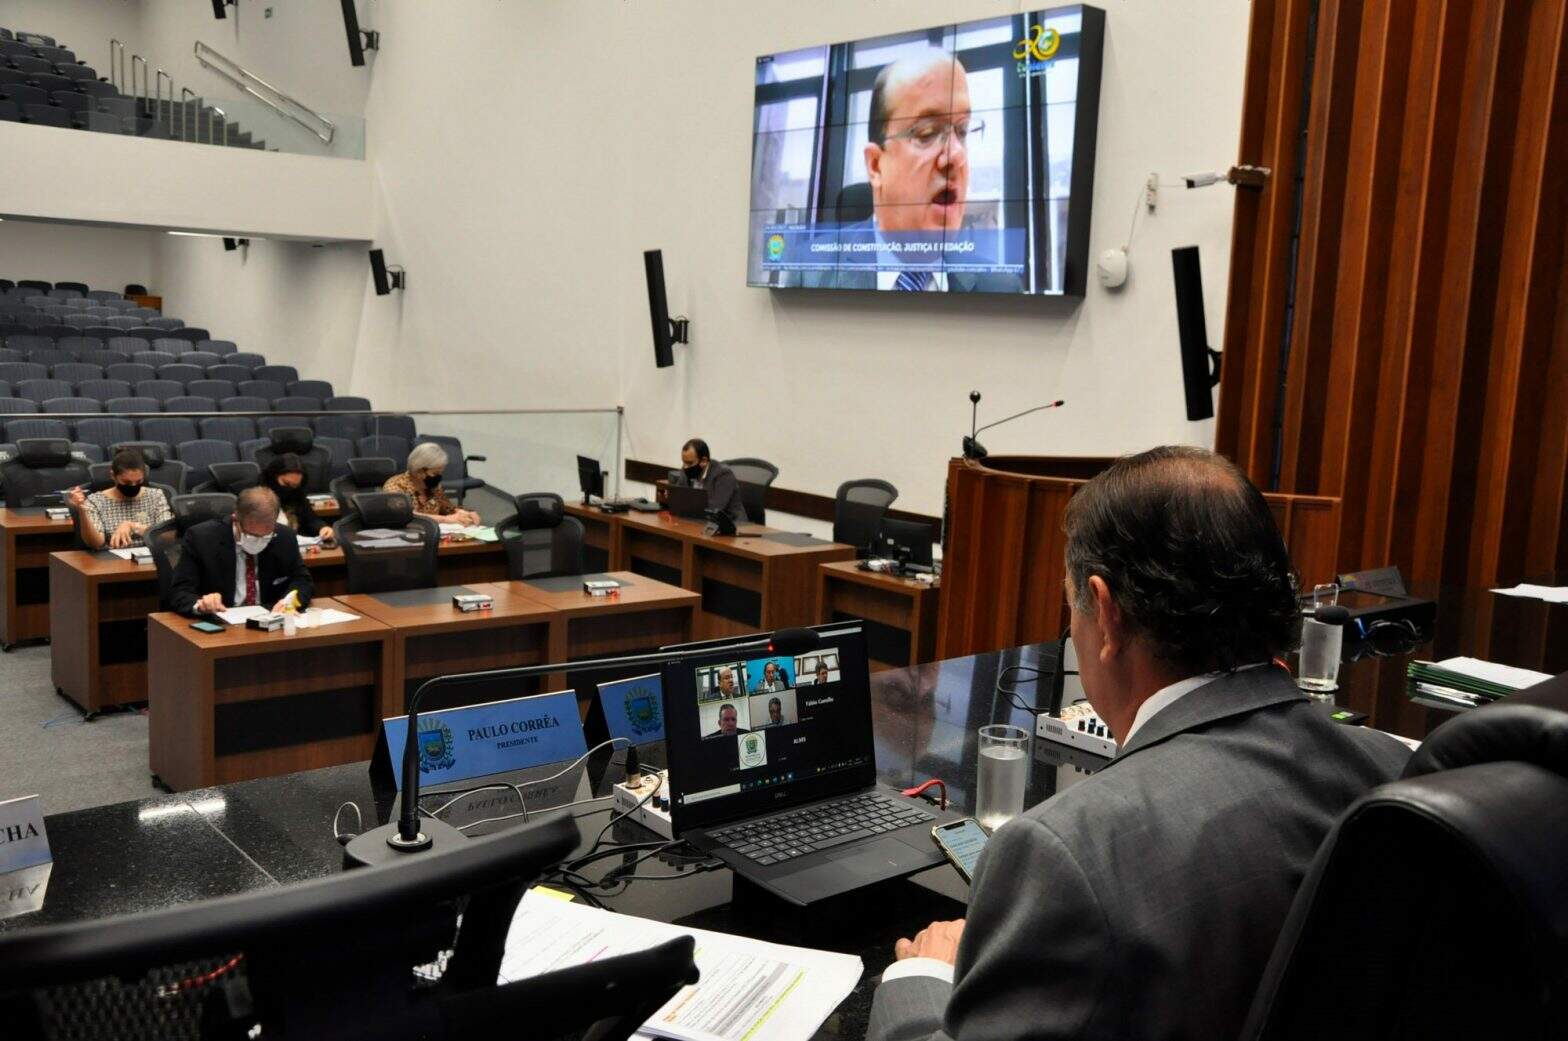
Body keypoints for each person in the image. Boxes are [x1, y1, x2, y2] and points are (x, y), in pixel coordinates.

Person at [867, 447, 1412, 1041]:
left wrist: (920, 978)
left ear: (1105, 613)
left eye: (1069, 604)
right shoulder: (1395, 772)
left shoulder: (1065, 851)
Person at [800, 48, 1020, 293]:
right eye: (927, 133)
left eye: (963, 131)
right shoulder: (808, 271)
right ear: (875, 165)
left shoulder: (1002, 287)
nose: (956, 155)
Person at [169, 487, 314, 617]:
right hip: (221, 619)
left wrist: (289, 602)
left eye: (265, 536)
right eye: (252, 535)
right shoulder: (201, 538)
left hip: (269, 618)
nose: (258, 541)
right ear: (235, 519)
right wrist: (200, 604)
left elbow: (302, 580)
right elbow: (180, 592)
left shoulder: (284, 537)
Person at [65, 448, 171, 550]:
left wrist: (133, 526)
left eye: (138, 482)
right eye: (126, 482)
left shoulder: (156, 496)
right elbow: (95, 543)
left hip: (150, 557)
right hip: (111, 559)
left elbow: (167, 536)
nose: (133, 486)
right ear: (113, 476)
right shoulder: (96, 501)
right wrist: (82, 510)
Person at [383, 442, 481, 526]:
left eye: (440, 473)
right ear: (419, 471)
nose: (438, 477)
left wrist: (465, 512)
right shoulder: (395, 485)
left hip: (435, 536)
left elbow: (448, 508)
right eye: (435, 473)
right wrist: (445, 519)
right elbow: (404, 514)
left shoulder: (434, 487)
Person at [261, 453, 335, 546]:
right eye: (286, 484)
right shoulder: (256, 495)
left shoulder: (296, 494)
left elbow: (311, 519)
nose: (289, 489)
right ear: (274, 476)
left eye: (295, 486)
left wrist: (323, 528)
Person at [669, 438, 747, 526]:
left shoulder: (723, 474)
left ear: (704, 461)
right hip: (698, 523)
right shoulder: (686, 470)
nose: (685, 467)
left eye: (689, 463)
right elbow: (678, 499)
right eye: (683, 462)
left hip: (733, 526)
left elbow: (715, 509)